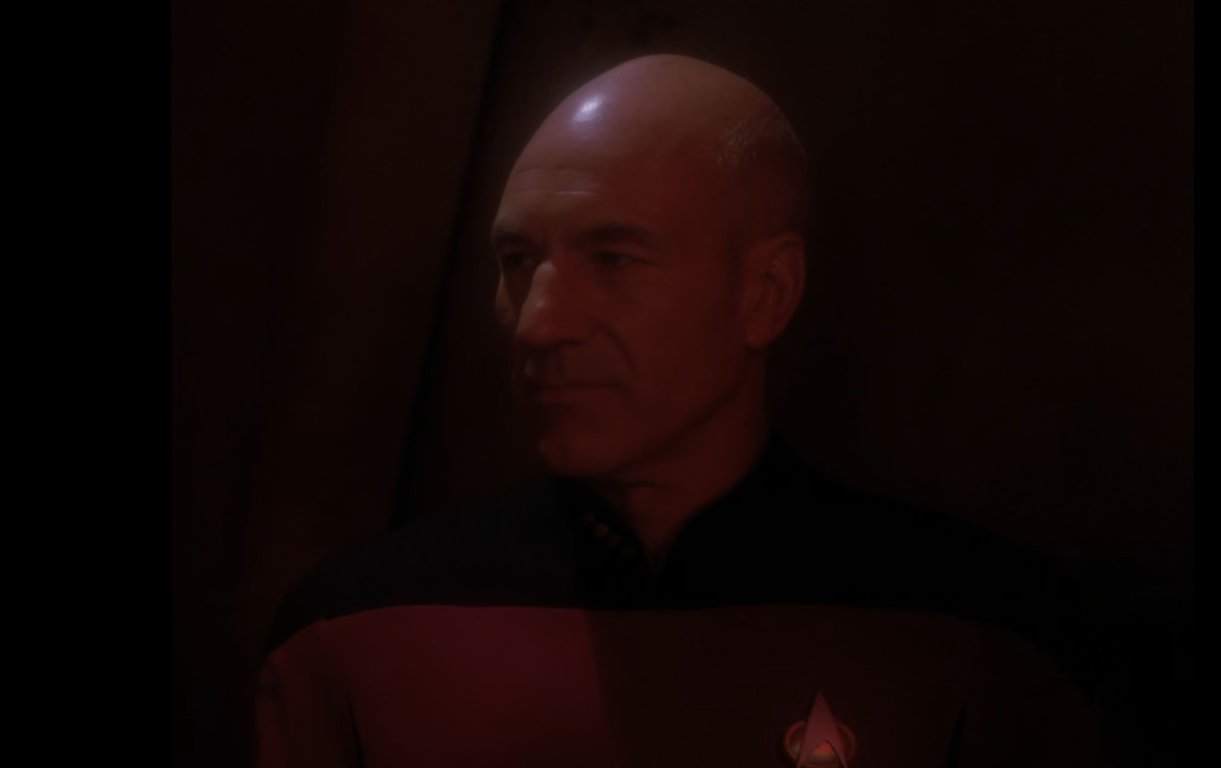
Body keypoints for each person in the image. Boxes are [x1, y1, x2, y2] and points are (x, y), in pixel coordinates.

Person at [255, 54, 1105, 767]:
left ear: (765, 293)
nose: (540, 323)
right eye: (517, 261)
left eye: (614, 259)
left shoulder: (979, 643)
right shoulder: (351, 637)